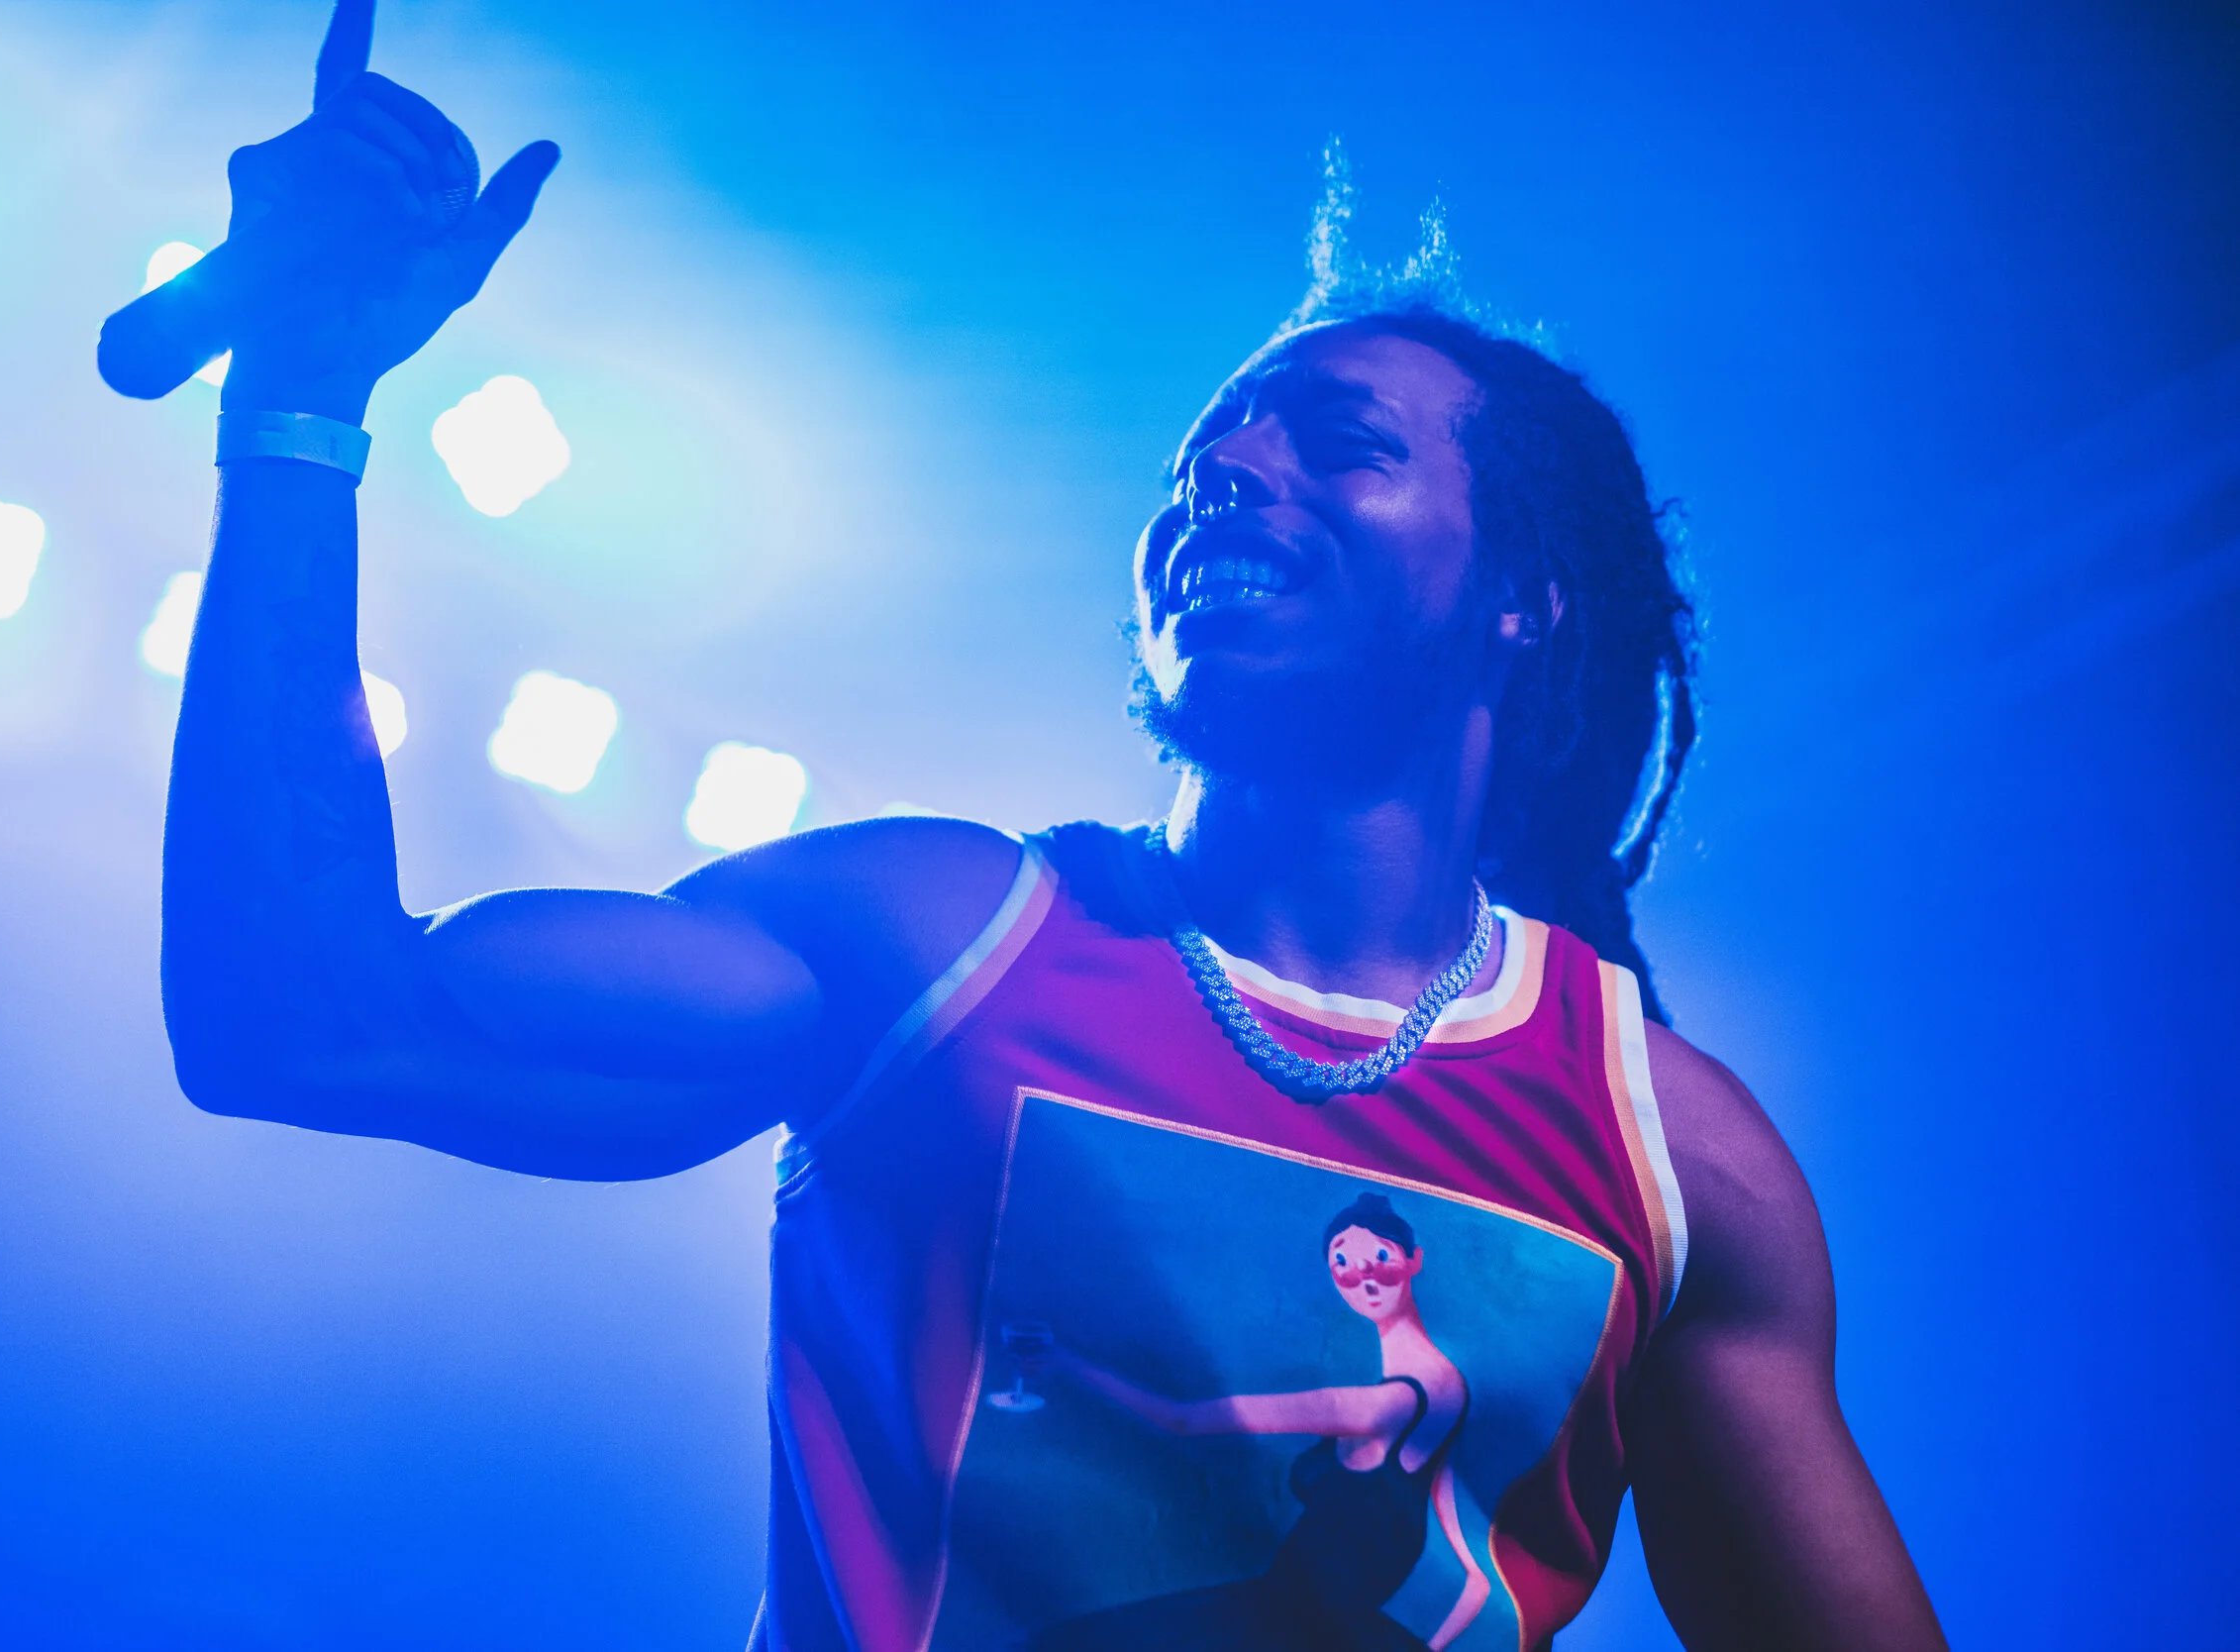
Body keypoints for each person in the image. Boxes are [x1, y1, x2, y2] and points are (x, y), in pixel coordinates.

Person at [155, 4, 1948, 1647]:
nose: (1230, 470)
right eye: (1207, 455)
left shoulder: (1669, 1158)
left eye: (1344, 443)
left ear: (1527, 597)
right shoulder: (929, 946)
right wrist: (302, 406)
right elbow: (308, 1013)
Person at [1027, 1192, 1490, 1650]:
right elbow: (1476, 1575)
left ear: (1414, 1260)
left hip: (1288, 1627)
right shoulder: (1446, 1391)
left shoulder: (1377, 1407)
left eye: (1381, 1257)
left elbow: (1181, 1420)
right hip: (1290, 1616)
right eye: (1343, 1263)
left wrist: (1068, 1364)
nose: (1363, 1276)